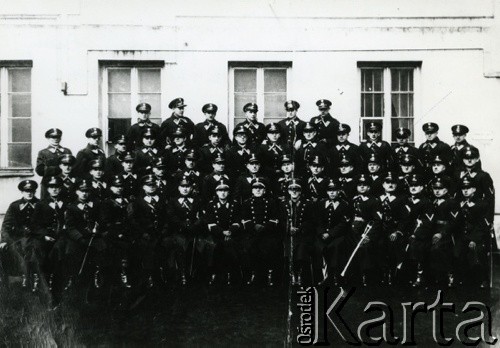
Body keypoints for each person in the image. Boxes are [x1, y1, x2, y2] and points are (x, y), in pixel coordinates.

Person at [30, 176, 68, 297]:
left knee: (59, 253)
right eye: (52, 187)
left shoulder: (66, 203)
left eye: (57, 187)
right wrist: (44, 236)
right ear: (47, 189)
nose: (54, 190)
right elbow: (34, 225)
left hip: (62, 236)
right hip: (46, 237)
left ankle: (59, 286)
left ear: (60, 188)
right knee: (41, 252)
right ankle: (43, 285)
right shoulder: (41, 204)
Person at [129, 174, 168, 288]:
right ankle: (149, 276)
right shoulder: (137, 202)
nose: (151, 187)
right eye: (148, 185)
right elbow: (134, 221)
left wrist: (164, 230)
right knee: (147, 251)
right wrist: (143, 233)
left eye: (153, 185)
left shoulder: (162, 199)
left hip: (161, 233)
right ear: (143, 187)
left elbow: (167, 217)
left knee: (164, 248)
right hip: (145, 234)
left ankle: (163, 275)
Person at [64, 179, 105, 290]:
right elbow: (70, 227)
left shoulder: (96, 204)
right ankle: (71, 276)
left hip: (94, 236)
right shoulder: (71, 207)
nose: (84, 193)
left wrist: (98, 228)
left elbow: (102, 220)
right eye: (82, 191)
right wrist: (79, 238)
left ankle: (98, 273)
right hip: (79, 237)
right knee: (71, 251)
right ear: (77, 192)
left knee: (102, 248)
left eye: (87, 191)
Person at [240, 178, 281, 286]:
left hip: (267, 232)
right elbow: (244, 219)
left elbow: (274, 219)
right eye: (255, 188)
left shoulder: (271, 202)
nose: (258, 190)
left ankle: (269, 274)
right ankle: (252, 274)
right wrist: (254, 226)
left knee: (271, 247)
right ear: (252, 190)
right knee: (248, 247)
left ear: (264, 190)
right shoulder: (246, 203)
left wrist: (264, 227)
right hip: (252, 232)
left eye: (260, 188)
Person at [0, 180, 39, 288]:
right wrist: (4, 240)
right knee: (7, 250)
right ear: (22, 192)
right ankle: (13, 280)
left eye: (31, 191)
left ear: (35, 191)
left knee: (34, 247)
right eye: (26, 191)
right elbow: (6, 225)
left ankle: (34, 276)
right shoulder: (14, 206)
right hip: (18, 237)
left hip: (36, 236)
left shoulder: (40, 205)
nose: (29, 193)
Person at [165, 177, 203, 285]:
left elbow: (202, 215)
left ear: (191, 188)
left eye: (187, 187)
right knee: (180, 248)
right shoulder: (173, 201)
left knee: (197, 248)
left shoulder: (197, 200)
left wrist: (195, 225)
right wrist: (183, 225)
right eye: (183, 187)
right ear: (178, 188)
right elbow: (171, 216)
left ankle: (193, 274)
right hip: (179, 231)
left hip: (194, 231)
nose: (185, 189)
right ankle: (182, 273)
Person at [202, 179, 241, 285]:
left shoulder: (235, 204)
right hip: (216, 234)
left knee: (233, 247)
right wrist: (222, 232)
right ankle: (213, 274)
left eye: (225, 190)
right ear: (216, 192)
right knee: (213, 247)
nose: (223, 192)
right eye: (220, 190)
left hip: (231, 233)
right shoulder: (211, 205)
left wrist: (230, 231)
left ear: (228, 192)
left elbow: (237, 221)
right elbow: (210, 223)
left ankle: (231, 274)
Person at [313, 179, 351, 286]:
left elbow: (343, 224)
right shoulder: (321, 203)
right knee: (318, 247)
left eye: (335, 190)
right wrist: (322, 233)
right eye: (330, 190)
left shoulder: (344, 205)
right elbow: (318, 221)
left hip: (337, 235)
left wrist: (330, 233)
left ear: (339, 191)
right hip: (322, 235)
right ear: (326, 192)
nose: (332, 193)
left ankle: (335, 275)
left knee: (336, 247)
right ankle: (321, 276)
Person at [346, 174, 382, 287]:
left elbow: (377, 221)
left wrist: (369, 236)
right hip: (353, 232)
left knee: (365, 248)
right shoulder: (353, 200)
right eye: (359, 185)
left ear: (369, 187)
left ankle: (365, 275)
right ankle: (350, 275)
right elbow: (348, 217)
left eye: (364, 185)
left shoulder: (374, 201)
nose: (362, 187)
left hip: (366, 233)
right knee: (345, 245)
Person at [457, 177, 490, 288]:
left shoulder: (481, 204)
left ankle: (482, 279)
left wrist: (474, 239)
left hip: (477, 236)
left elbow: (482, 225)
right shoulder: (458, 204)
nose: (465, 190)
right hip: (461, 236)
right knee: (456, 250)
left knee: (477, 250)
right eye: (463, 188)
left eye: (468, 188)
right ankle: (460, 278)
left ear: (474, 189)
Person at [100, 175, 132, 289]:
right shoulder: (107, 203)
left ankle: (129, 274)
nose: (119, 188)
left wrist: (127, 231)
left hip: (127, 232)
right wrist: (117, 233)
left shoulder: (127, 201)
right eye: (116, 186)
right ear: (111, 188)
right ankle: (119, 276)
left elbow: (131, 219)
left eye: (121, 186)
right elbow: (106, 222)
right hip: (112, 234)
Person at [280, 179, 314, 286]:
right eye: (291, 189)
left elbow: (311, 220)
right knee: (287, 250)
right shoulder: (283, 204)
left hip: (303, 234)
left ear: (300, 191)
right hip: (287, 234)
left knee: (301, 250)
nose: (294, 192)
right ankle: (291, 275)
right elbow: (279, 219)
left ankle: (300, 274)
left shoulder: (308, 204)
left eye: (297, 189)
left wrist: (299, 228)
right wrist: (288, 228)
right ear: (288, 191)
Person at [404, 174, 435, 288]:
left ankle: (419, 276)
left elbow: (427, 223)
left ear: (422, 187)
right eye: (411, 185)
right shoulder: (406, 201)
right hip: (406, 232)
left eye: (416, 185)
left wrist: (416, 235)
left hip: (420, 235)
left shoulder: (426, 203)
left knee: (417, 246)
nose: (413, 188)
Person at [377, 172, 408, 285]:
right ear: (383, 184)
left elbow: (404, 219)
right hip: (378, 231)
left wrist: (397, 231)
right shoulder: (377, 198)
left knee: (393, 245)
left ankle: (391, 272)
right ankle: (382, 273)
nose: (390, 185)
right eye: (387, 182)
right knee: (379, 245)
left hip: (393, 230)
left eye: (393, 183)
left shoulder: (401, 199)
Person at [429, 177, 458, 287]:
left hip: (447, 234)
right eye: (435, 188)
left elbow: (454, 222)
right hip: (432, 232)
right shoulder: (432, 202)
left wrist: (442, 233)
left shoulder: (452, 203)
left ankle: (448, 274)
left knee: (438, 248)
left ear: (446, 190)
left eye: (440, 188)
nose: (437, 191)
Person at [36, 128, 72, 199]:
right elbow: (40, 171)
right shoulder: (43, 152)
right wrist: (57, 169)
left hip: (65, 183)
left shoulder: (67, 151)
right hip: (49, 184)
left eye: (58, 137)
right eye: (53, 137)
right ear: (48, 138)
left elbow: (73, 166)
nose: (56, 139)